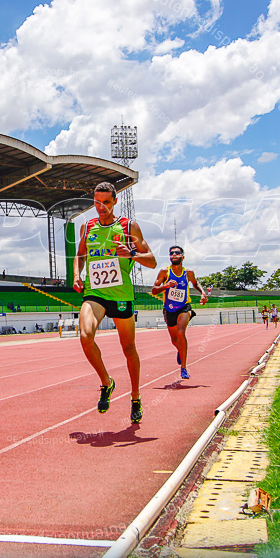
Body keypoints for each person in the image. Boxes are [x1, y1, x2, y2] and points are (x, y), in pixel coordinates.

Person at [73, 181, 157, 424]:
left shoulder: (129, 227)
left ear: (115, 201)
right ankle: (106, 383)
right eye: (97, 202)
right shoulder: (87, 227)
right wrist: (78, 275)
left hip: (121, 295)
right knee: (85, 336)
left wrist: (130, 253)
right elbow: (81, 255)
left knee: (128, 349)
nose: (101, 207)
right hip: (95, 293)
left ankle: (135, 397)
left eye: (106, 202)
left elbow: (151, 260)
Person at [151, 246, 208, 379]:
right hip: (169, 309)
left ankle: (183, 367)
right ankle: (180, 350)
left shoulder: (188, 273)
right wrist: (165, 286)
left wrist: (203, 293)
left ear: (183, 256)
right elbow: (154, 290)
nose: (174, 255)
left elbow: (195, 283)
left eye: (177, 253)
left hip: (184, 307)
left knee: (181, 333)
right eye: (171, 253)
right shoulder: (164, 272)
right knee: (174, 339)